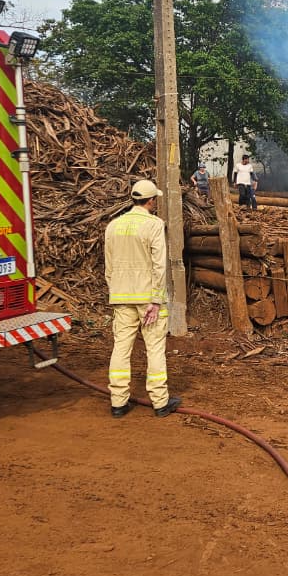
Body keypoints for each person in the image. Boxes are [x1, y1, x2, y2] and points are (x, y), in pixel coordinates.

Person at [104, 179, 181, 419]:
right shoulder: (155, 225)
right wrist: (156, 300)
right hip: (148, 297)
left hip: (121, 295)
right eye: (154, 199)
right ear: (150, 201)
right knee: (155, 348)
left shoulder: (113, 226)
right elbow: (159, 265)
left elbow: (108, 266)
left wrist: (114, 289)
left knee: (121, 347)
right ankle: (160, 402)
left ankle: (118, 403)